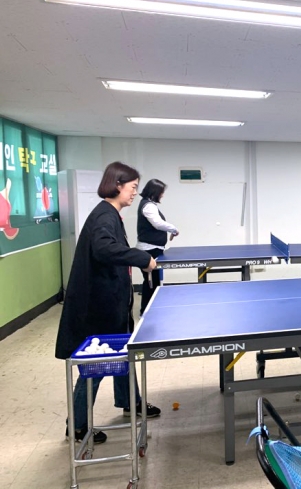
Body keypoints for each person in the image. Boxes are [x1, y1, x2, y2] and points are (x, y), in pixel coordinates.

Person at [55, 162, 161, 444]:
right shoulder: (104, 216)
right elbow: (104, 249)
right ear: (117, 185)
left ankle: (130, 402)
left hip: (111, 302)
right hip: (98, 307)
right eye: (133, 187)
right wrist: (142, 258)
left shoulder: (110, 214)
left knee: (123, 351)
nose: (135, 192)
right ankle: (77, 425)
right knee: (97, 365)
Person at [137, 179, 179, 315]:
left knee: (153, 281)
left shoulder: (148, 204)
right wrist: (173, 229)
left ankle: (150, 310)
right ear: (155, 192)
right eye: (161, 192)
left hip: (152, 248)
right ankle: (146, 311)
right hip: (149, 250)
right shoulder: (148, 206)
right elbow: (157, 223)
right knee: (151, 282)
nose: (162, 195)